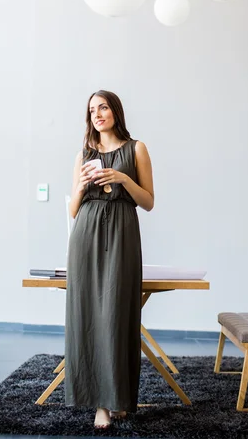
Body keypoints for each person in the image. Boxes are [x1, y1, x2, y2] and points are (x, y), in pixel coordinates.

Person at [65, 90, 154, 429]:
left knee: (118, 314)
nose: (97, 114)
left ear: (115, 111)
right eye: (91, 110)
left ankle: (119, 397)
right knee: (87, 314)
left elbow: (148, 201)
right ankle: (100, 403)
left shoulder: (137, 149)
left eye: (102, 107)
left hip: (122, 233)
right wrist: (81, 186)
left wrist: (122, 178)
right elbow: (74, 210)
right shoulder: (83, 154)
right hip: (86, 234)